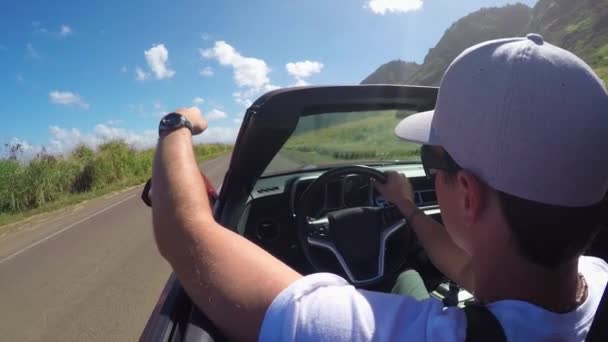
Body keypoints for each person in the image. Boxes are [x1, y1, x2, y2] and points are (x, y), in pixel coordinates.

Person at [151, 34, 608, 341]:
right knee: (410, 276)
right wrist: (408, 211)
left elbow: (186, 233)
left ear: (468, 194)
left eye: (432, 160)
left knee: (400, 279)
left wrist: (177, 125)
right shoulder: (592, 277)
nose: (428, 171)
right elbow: (470, 270)